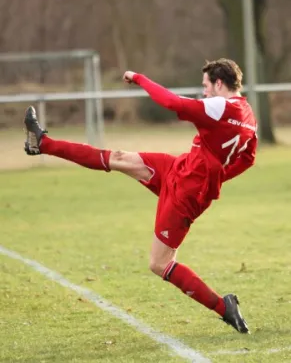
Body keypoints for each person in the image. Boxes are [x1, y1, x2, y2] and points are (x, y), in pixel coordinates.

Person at [24, 58, 257, 334]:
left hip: (186, 193)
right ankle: (43, 143)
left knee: (159, 264)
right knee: (119, 158)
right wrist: (214, 177)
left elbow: (172, 103)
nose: (204, 91)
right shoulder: (249, 116)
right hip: (180, 170)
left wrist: (139, 77)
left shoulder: (220, 106)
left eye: (206, 85)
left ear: (220, 84)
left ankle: (224, 307)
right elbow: (248, 159)